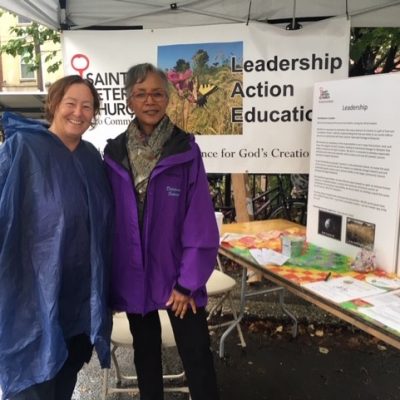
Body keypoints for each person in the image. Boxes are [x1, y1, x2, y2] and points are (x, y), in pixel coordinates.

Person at [103, 63, 220, 400]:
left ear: (167, 99)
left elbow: (199, 220)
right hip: (136, 275)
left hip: (178, 274)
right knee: (146, 355)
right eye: (140, 94)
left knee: (197, 354)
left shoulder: (184, 151)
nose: (149, 101)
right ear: (129, 101)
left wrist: (188, 282)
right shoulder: (113, 154)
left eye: (156, 93)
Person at [0, 76, 113, 400]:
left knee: (65, 379)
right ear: (54, 105)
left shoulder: (92, 157)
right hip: (31, 299)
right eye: (70, 103)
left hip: (78, 300)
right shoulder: (22, 149)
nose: (78, 112)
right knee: (32, 384)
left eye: (87, 106)